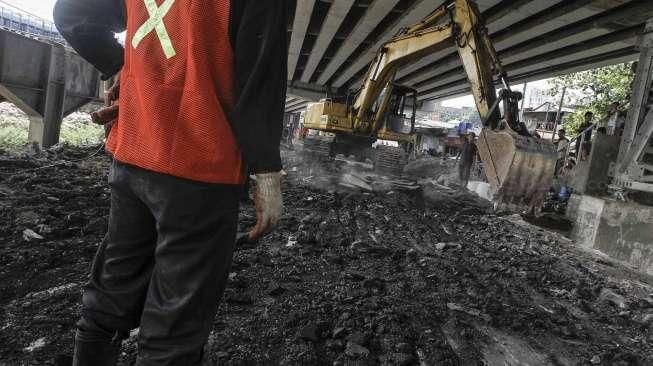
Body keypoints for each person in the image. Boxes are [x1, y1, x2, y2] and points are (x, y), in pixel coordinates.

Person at [53, 1, 288, 365]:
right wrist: (268, 172)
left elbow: (71, 13)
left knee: (110, 293)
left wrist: (120, 66)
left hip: (133, 154)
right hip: (202, 168)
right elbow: (261, 75)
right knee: (174, 327)